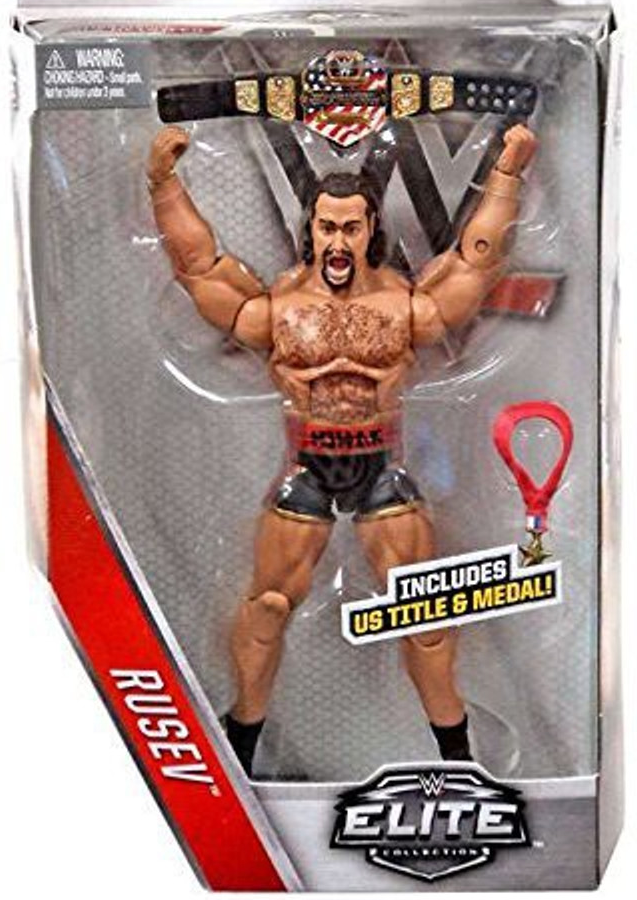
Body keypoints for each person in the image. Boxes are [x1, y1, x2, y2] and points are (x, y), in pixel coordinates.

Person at [147, 122, 537, 774]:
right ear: (312, 230)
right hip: (307, 467)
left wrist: (507, 173)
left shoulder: (402, 307)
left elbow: (476, 262)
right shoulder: (278, 308)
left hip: (382, 466)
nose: (337, 241)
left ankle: (460, 759)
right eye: (327, 227)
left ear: (369, 231)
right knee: (268, 606)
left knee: (424, 616)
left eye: (350, 228)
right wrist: (162, 183)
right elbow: (198, 267)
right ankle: (240, 748)